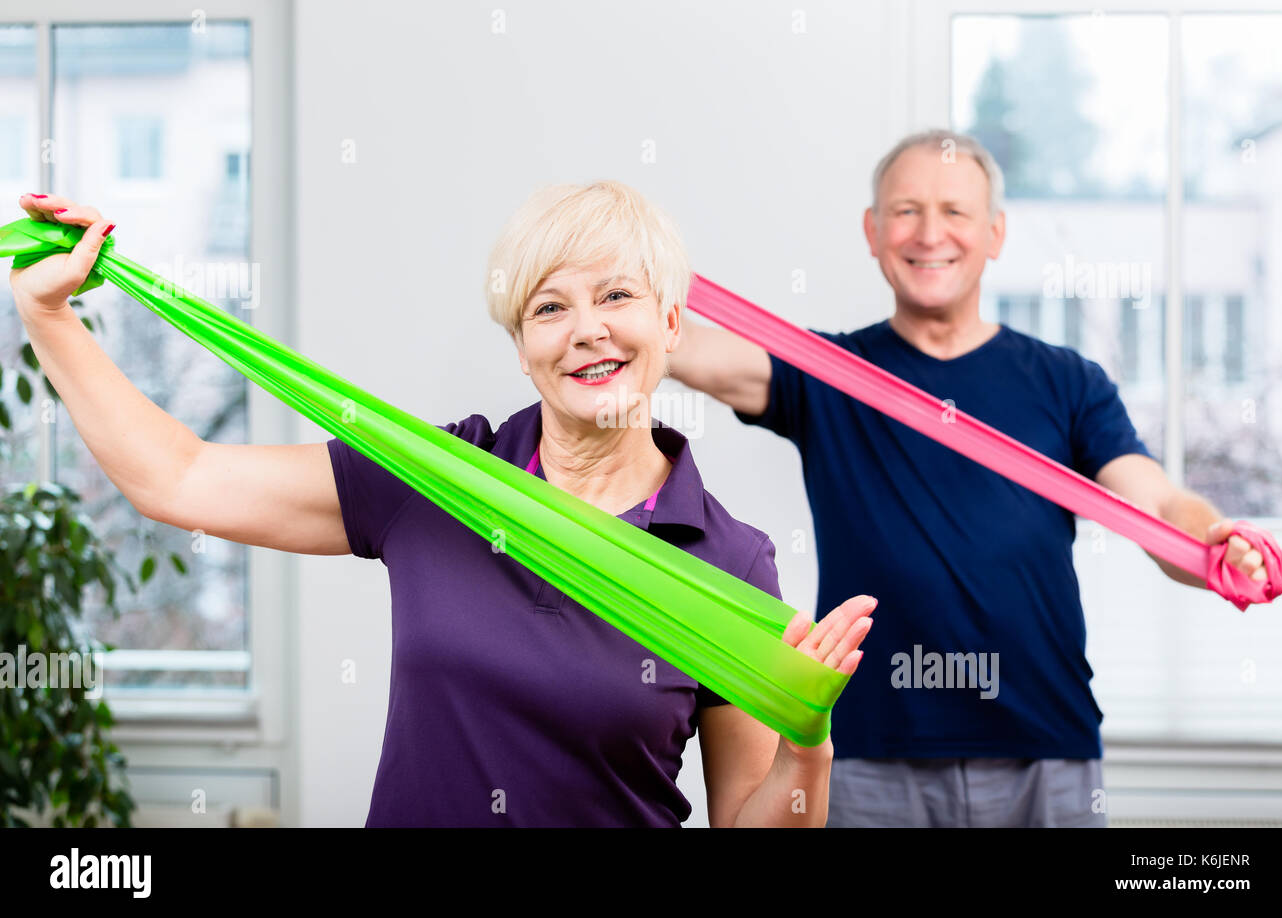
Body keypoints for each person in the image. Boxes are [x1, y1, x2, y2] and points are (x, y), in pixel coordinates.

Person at [8, 181, 875, 827]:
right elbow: (181, 477)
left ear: (672, 325)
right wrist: (52, 320)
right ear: (523, 347)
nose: (587, 329)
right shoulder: (439, 478)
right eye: (550, 307)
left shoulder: (731, 559)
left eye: (617, 295)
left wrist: (808, 746)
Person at [667, 129, 1282, 828]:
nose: (930, 234)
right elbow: (676, 344)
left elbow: (1160, 503)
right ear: (873, 231)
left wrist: (1215, 544)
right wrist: (615, 281)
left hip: (1044, 754)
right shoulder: (826, 375)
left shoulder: (1067, 382)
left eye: (955, 212)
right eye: (906, 211)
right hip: (871, 756)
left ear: (995, 233)